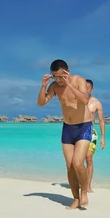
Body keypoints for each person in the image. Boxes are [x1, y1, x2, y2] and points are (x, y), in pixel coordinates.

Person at [37, 59, 92, 209]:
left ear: (67, 71)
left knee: (78, 163)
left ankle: (85, 191)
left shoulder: (78, 80)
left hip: (83, 126)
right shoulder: (54, 86)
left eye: (61, 76)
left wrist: (68, 84)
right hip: (67, 128)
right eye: (55, 77)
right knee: (69, 166)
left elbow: (85, 100)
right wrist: (44, 86)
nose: (59, 80)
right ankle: (75, 198)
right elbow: (41, 103)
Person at [85, 79, 106, 193]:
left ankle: (87, 185)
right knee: (76, 161)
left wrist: (103, 138)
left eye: (88, 87)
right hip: (77, 131)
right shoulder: (77, 100)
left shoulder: (96, 103)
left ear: (92, 89)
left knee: (88, 159)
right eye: (83, 87)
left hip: (91, 132)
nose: (85, 89)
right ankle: (80, 181)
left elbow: (101, 121)